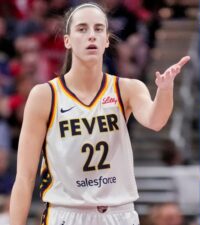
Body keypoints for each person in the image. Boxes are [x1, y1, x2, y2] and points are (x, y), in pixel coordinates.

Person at [9, 2, 190, 225]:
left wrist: (165, 90)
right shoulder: (45, 95)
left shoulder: (128, 88)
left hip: (118, 214)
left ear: (106, 40)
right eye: (82, 29)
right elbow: (24, 178)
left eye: (98, 29)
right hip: (66, 213)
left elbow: (156, 120)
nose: (91, 35)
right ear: (67, 40)